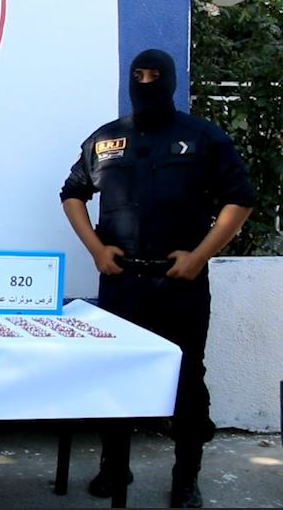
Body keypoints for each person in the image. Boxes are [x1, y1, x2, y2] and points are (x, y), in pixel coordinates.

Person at [60, 49, 255, 508]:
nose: (146, 83)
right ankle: (114, 467)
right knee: (115, 373)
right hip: (122, 283)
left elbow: (240, 199)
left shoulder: (204, 137)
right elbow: (72, 193)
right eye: (139, 75)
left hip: (179, 284)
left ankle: (186, 477)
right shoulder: (106, 139)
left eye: (154, 75)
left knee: (188, 379)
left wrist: (200, 256)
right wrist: (96, 249)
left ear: (170, 79)